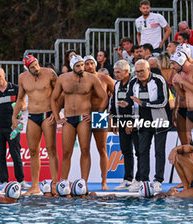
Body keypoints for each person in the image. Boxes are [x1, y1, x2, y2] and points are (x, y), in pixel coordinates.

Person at [50, 55, 107, 186]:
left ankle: (84, 183)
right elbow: (53, 99)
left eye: (82, 65)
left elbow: (104, 97)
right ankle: (63, 182)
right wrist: (57, 117)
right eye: (78, 66)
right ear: (72, 67)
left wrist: (96, 115)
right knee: (66, 152)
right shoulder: (63, 78)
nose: (82, 68)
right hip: (68, 118)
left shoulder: (94, 78)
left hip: (84, 118)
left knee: (86, 149)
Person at [118, 59, 171, 192]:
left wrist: (144, 103)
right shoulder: (133, 82)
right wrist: (126, 103)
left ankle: (158, 180)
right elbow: (130, 99)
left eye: (142, 71)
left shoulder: (159, 80)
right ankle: (143, 180)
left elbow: (163, 101)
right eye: (137, 71)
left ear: (148, 70)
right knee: (142, 151)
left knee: (159, 151)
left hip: (159, 121)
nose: (139, 74)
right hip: (142, 122)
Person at [12, 55, 59, 195]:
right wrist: (14, 117)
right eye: (32, 67)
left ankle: (55, 183)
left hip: (47, 114)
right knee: (33, 151)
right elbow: (20, 99)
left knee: (51, 149)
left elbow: (59, 94)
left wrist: (55, 113)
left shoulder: (50, 73)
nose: (36, 68)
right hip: (32, 116)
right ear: (27, 68)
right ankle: (34, 186)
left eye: (37, 64)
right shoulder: (22, 78)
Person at [0, 68, 28, 190]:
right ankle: (4, 181)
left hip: (12, 127)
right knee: (0, 155)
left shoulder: (15, 88)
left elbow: (24, 105)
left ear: (4, 75)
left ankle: (21, 180)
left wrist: (19, 109)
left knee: (16, 153)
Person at [84, 55, 115, 190]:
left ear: (96, 65)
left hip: (100, 115)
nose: (89, 66)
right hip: (84, 116)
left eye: (91, 63)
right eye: (87, 64)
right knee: (84, 150)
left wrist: (111, 115)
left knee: (102, 149)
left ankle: (104, 182)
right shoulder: (80, 80)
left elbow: (116, 95)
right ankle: (84, 182)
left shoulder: (104, 78)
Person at [111, 60, 140, 191]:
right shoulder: (116, 85)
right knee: (126, 150)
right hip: (122, 121)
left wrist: (132, 121)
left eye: (118, 72)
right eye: (115, 72)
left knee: (140, 151)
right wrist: (115, 121)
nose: (116, 74)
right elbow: (113, 104)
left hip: (136, 122)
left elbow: (137, 105)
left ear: (127, 72)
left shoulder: (135, 84)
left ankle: (139, 179)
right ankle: (128, 179)